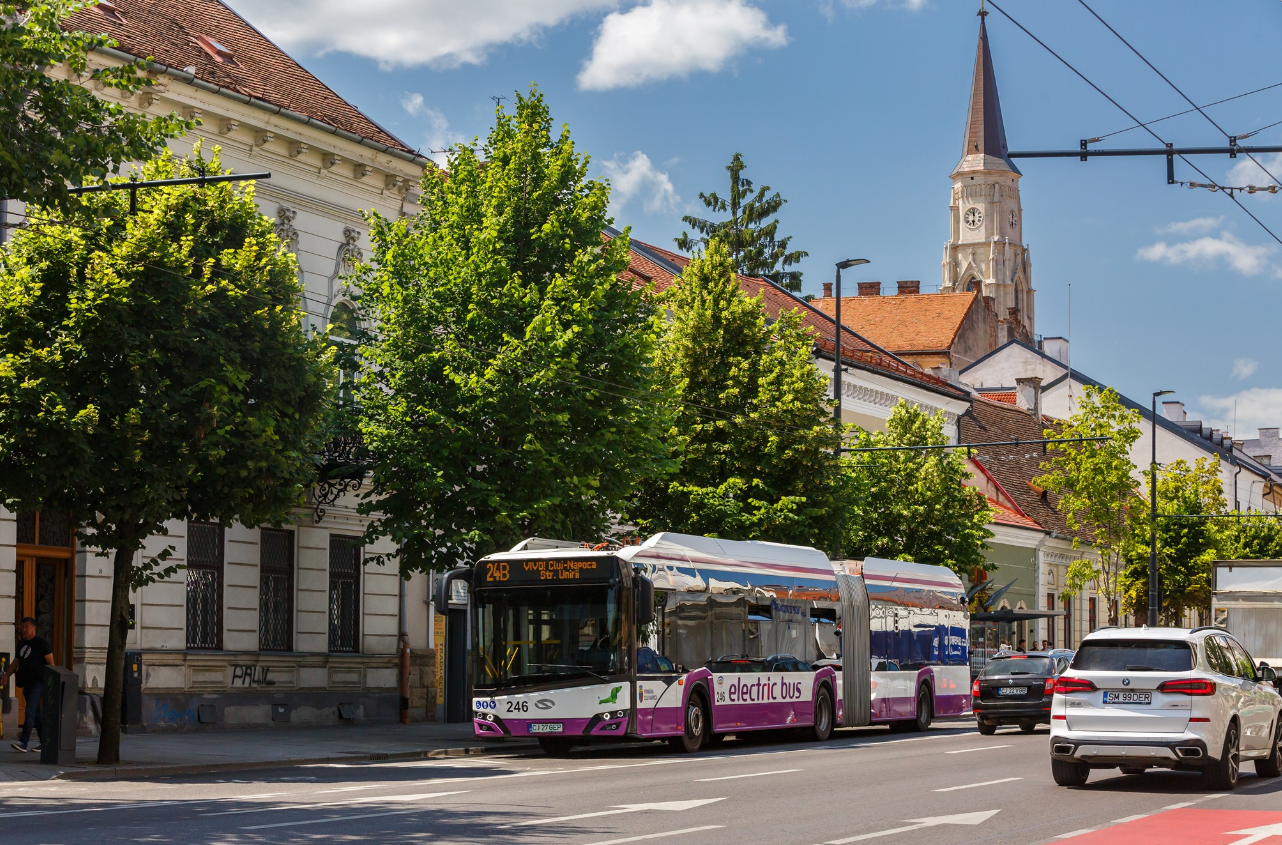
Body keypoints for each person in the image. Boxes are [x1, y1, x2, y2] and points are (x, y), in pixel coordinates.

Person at [0, 617, 54, 753]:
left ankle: (23, 742)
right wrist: (6, 676)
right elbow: (15, 662)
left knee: (29, 711)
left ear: (34, 628)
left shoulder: (42, 643)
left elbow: (51, 663)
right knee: (36, 714)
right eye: (22, 627)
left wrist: (52, 682)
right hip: (26, 682)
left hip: (39, 682)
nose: (23, 630)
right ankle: (45, 743)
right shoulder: (22, 643)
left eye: (26, 627)